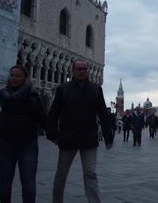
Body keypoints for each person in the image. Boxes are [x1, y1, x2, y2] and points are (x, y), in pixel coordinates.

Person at [46, 59, 114, 203]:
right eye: (79, 69)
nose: (82, 71)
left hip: (89, 138)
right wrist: (52, 135)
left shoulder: (95, 89)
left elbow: (103, 113)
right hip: (67, 138)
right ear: (73, 71)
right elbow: (53, 113)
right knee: (61, 174)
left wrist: (108, 137)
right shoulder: (63, 89)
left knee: (90, 173)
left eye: (84, 69)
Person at [0, 65, 46, 203]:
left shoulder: (34, 96)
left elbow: (42, 117)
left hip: (28, 144)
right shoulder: (4, 93)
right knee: (5, 181)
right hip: (6, 143)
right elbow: (11, 101)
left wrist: (54, 135)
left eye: (18, 76)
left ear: (24, 78)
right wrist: (28, 86)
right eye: (12, 75)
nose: (14, 78)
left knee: (29, 182)